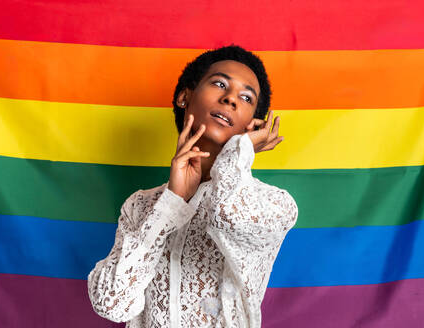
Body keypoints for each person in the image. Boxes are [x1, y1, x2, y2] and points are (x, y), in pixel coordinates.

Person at [87, 45, 298, 327]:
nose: (231, 99)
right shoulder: (141, 206)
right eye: (220, 83)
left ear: (253, 124)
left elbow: (226, 216)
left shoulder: (273, 205)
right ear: (184, 97)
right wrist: (171, 203)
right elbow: (111, 304)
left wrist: (241, 151)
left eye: (246, 98)